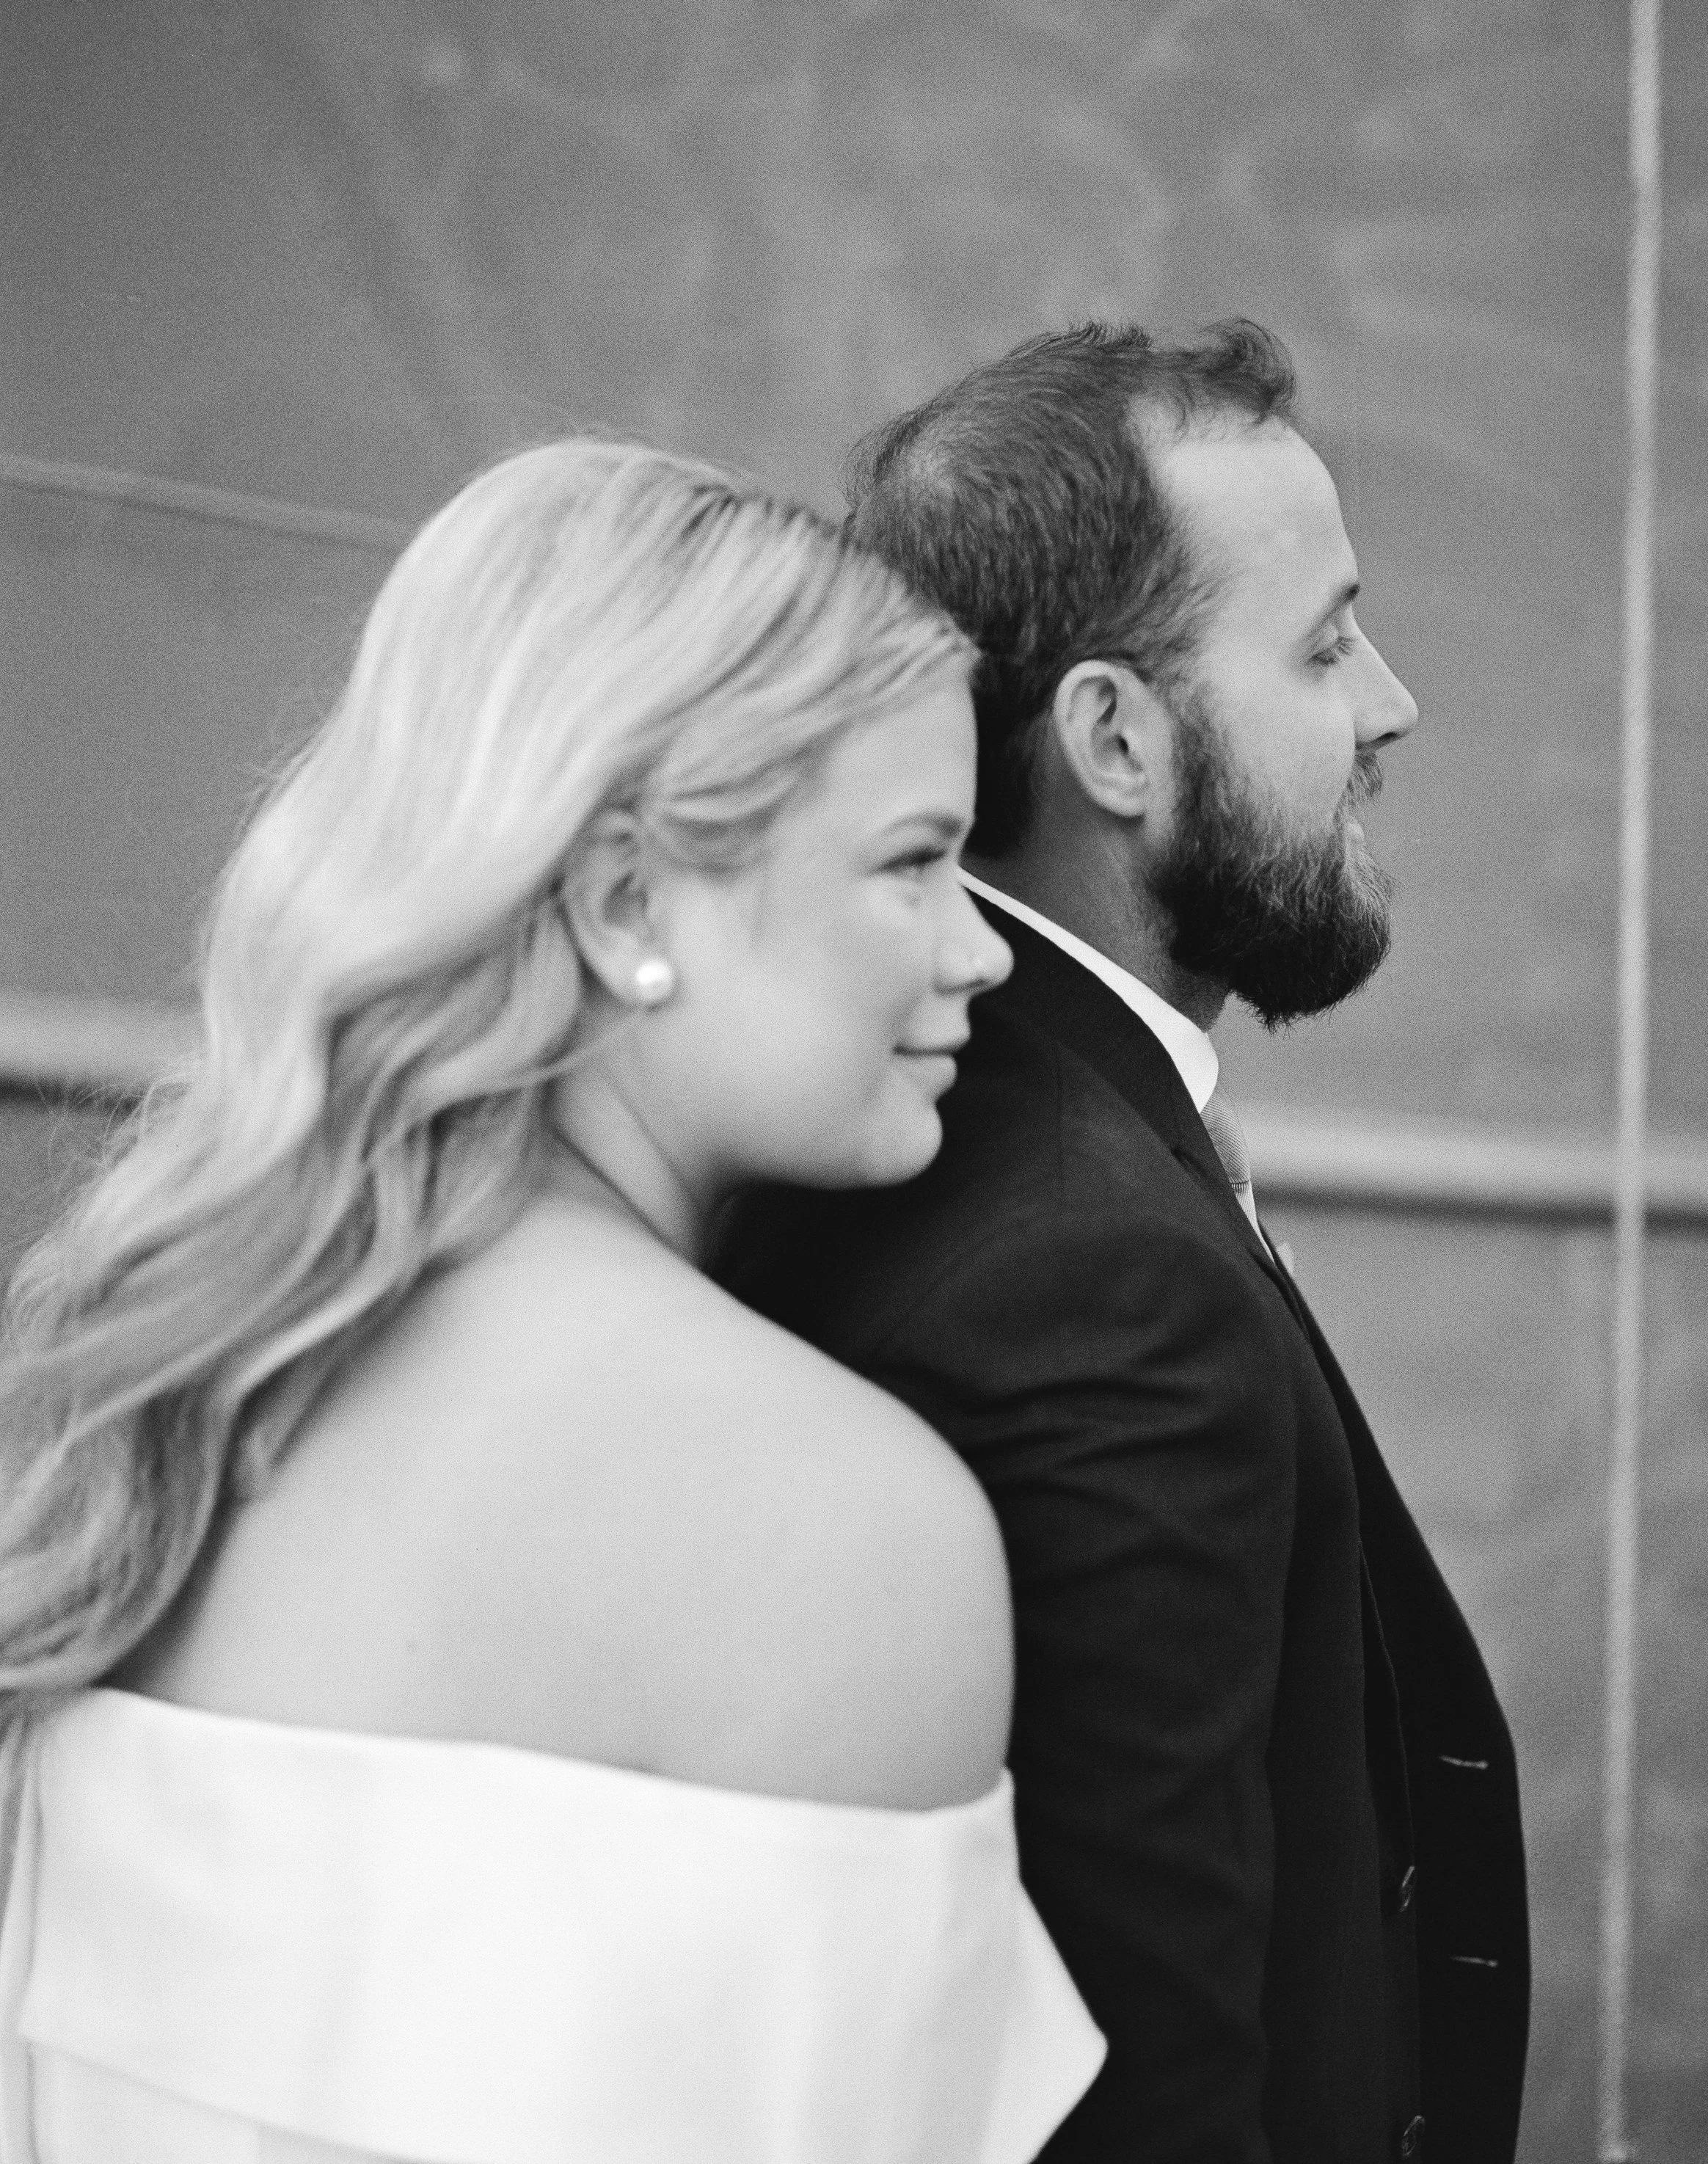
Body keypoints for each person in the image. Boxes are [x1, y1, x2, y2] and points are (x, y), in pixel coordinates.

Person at [0, 439, 1105, 2163]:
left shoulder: (144, 1405)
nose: (978, 952)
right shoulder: (840, 1528)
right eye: (913, 862)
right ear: (619, 900)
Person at [721, 323, 1531, 2164]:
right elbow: (1135, 2075)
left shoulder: (1028, 1140)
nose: (1389, 703)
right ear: (1112, 737)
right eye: (1322, 643)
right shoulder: (1087, 1266)